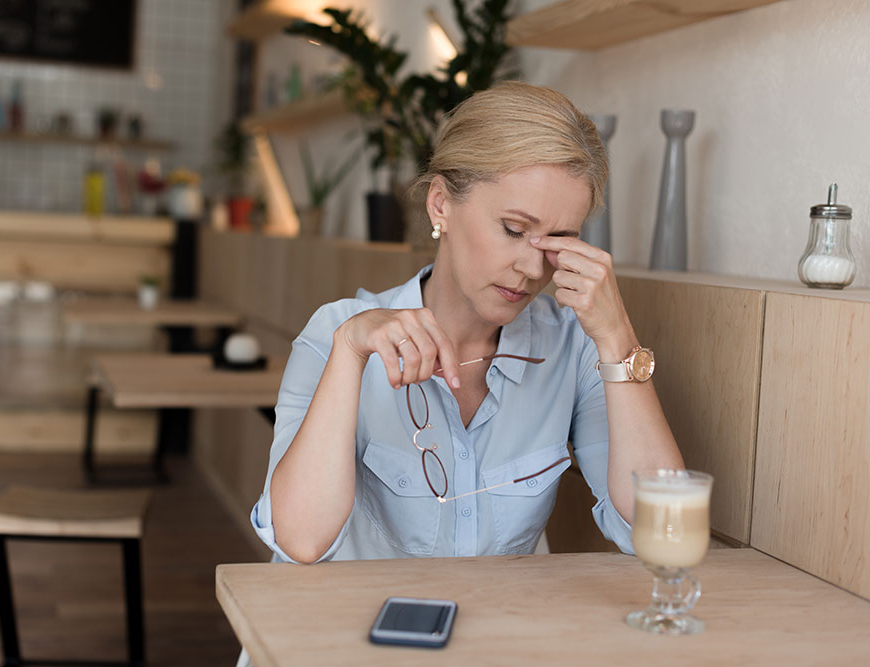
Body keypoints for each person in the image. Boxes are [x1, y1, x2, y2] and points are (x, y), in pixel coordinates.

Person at [250, 81, 684, 566]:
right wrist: (351, 353)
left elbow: (661, 534)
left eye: (558, 239)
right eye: (514, 230)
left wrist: (618, 336)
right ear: (441, 205)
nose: (533, 268)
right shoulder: (337, 334)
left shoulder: (575, 346)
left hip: (497, 637)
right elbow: (300, 541)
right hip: (349, 636)